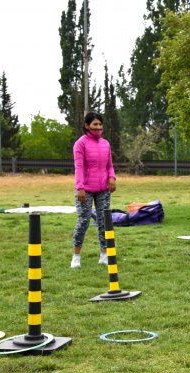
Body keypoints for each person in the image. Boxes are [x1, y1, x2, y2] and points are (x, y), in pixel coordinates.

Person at [71, 111, 117, 268]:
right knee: (83, 221)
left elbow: (109, 165)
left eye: (100, 124)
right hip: (85, 189)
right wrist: (80, 188)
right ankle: (76, 256)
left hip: (103, 189)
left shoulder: (106, 144)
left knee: (104, 222)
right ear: (87, 126)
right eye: (95, 124)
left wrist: (112, 178)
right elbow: (78, 167)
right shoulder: (80, 144)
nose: (98, 127)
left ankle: (104, 254)